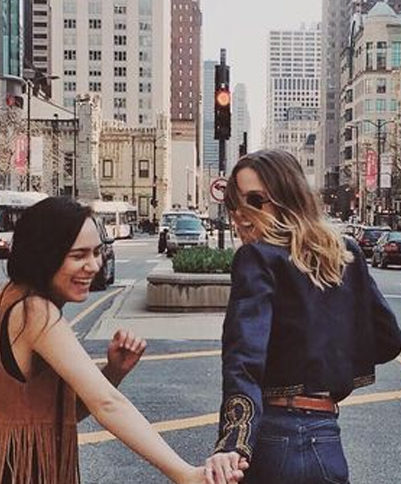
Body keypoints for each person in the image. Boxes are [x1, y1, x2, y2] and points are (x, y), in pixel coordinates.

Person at [0, 197, 246, 484]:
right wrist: (185, 474)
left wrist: (114, 371)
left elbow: (58, 414)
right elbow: (107, 403)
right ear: (44, 255)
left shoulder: (13, 296)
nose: (94, 265)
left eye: (97, 252)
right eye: (78, 256)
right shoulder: (35, 312)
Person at [204, 150, 401, 484]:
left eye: (256, 200)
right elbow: (388, 341)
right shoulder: (345, 253)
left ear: (287, 197)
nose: (241, 214)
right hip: (326, 442)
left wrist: (233, 442)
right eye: (234, 203)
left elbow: (244, 357)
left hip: (274, 440)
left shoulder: (256, 257)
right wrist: (326, 363)